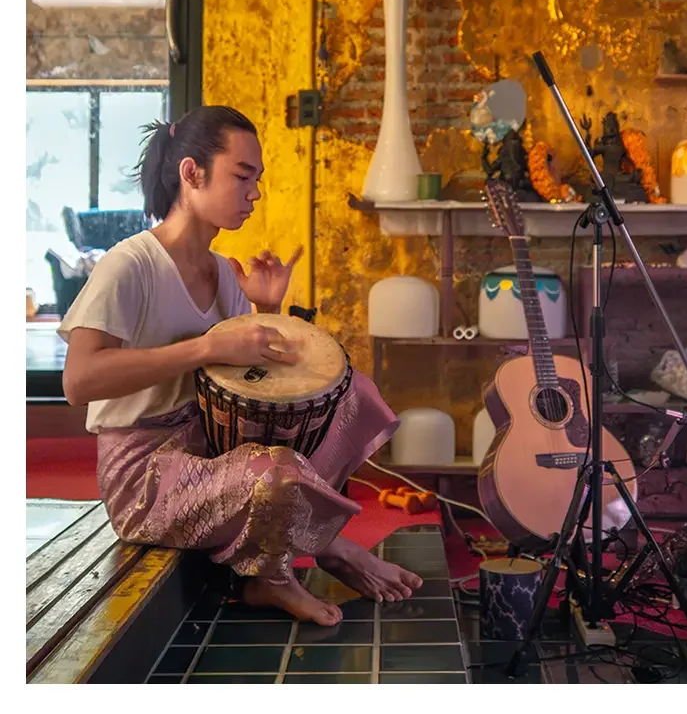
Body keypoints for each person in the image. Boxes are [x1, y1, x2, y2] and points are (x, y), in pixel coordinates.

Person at [60, 105, 422, 626]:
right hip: (146, 474)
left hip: (210, 446)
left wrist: (268, 312)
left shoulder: (222, 274)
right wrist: (205, 348)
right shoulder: (130, 264)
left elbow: (246, 387)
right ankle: (291, 569)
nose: (254, 193)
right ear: (192, 173)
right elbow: (79, 381)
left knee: (355, 397)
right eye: (242, 176)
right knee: (276, 472)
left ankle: (304, 549)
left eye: (257, 180)